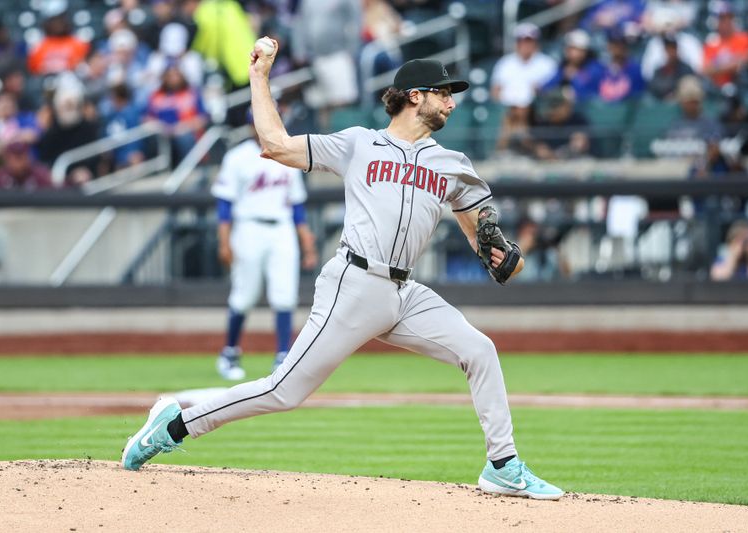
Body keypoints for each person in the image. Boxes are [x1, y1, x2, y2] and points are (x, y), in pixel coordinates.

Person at [121, 40, 565, 501]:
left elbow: (488, 244)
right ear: (415, 95)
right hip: (354, 283)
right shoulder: (359, 143)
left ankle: (503, 466)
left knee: (480, 350)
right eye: (443, 92)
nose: (451, 101)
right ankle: (173, 424)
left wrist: (505, 256)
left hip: (405, 292)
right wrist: (259, 77)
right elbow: (275, 145)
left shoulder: (453, 165)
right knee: (284, 392)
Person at [212, 117, 318, 380]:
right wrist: (224, 242)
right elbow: (225, 205)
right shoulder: (238, 157)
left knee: (284, 295)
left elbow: (296, 206)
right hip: (248, 227)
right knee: (244, 295)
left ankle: (283, 355)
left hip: (281, 228)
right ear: (251, 126)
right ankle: (230, 352)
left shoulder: (287, 152)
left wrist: (306, 242)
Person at [490, 22, 557, 107]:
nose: (525, 44)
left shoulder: (548, 64)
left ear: (536, 42)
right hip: (507, 109)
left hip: (534, 109)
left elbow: (552, 91)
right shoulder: (505, 62)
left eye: (529, 41)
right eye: (521, 41)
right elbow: (495, 91)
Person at [702, 2, 748, 88]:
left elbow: (743, 62)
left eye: (729, 18)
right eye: (722, 19)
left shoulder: (744, 38)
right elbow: (705, 69)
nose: (726, 22)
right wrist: (730, 65)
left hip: (740, 84)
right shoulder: (711, 42)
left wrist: (717, 67)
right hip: (716, 86)